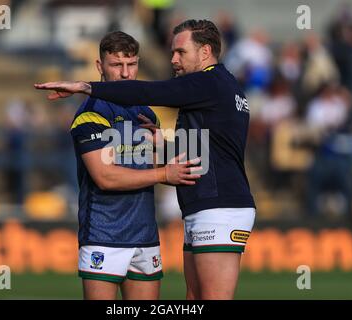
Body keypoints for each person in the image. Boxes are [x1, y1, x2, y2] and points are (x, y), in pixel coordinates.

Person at [35, 19, 256, 300]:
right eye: (172, 52)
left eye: (180, 52)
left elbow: (148, 92)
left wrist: (83, 86)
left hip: (219, 207)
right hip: (205, 206)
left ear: (205, 52)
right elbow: (205, 150)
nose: (173, 59)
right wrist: (162, 145)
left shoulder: (208, 82)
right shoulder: (221, 85)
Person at [55, 31, 201, 300]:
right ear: (100, 67)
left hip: (145, 235)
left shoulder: (144, 111)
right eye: (116, 65)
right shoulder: (91, 113)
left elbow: (161, 168)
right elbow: (105, 177)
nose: (125, 73)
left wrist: (166, 149)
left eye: (131, 64)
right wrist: (163, 172)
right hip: (104, 235)